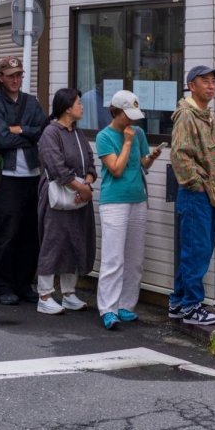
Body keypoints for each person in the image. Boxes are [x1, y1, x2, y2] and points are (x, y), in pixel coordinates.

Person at [95, 90, 163, 329]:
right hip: (114, 201)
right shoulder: (105, 136)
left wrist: (152, 157)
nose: (132, 120)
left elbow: (142, 164)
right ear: (115, 111)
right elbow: (116, 169)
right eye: (127, 115)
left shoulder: (139, 133)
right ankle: (108, 308)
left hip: (137, 198)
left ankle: (126, 305)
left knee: (134, 258)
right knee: (113, 258)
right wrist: (126, 142)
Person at [168, 64, 215, 326]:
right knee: (197, 249)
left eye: (213, 81)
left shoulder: (208, 116)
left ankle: (179, 301)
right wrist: (197, 184)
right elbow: (180, 155)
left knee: (196, 249)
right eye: (205, 81)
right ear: (191, 85)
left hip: (212, 194)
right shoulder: (187, 115)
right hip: (196, 195)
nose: (211, 85)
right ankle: (193, 306)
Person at [0, 56, 47, 306]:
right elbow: (1, 139)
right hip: (6, 177)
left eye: (19, 74)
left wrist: (19, 130)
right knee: (6, 233)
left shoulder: (31, 102)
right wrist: (27, 133)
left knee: (30, 234)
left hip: (32, 174)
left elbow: (43, 130)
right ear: (0, 76)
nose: (15, 79)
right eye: (10, 75)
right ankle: (1, 286)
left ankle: (24, 283)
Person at [35, 88, 97, 315]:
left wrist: (87, 183)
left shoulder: (77, 133)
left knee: (75, 240)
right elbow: (56, 167)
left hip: (79, 195)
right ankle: (45, 295)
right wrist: (82, 188)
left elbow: (90, 161)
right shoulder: (51, 133)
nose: (82, 107)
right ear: (67, 107)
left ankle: (69, 293)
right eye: (79, 103)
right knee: (53, 242)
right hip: (58, 196)